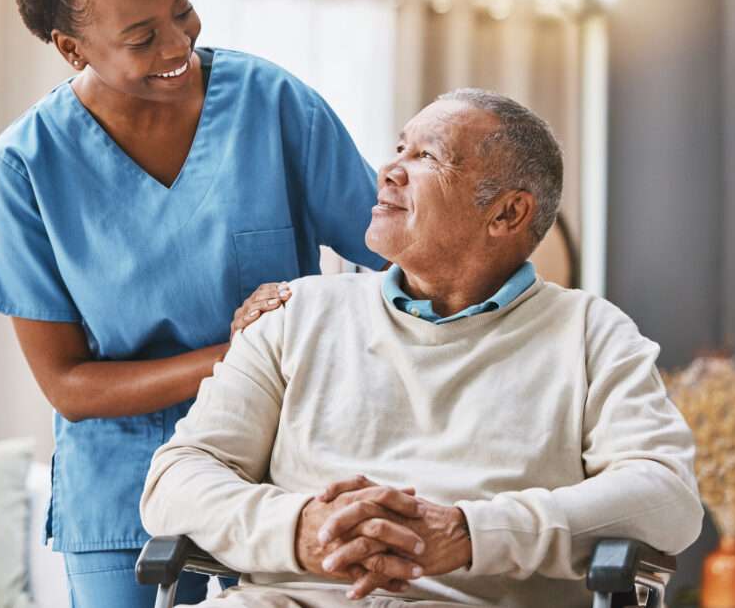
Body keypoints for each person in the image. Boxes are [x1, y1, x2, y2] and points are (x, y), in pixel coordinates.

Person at [141, 89, 704, 607]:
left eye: (427, 158)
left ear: (507, 213)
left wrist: (470, 533)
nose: (388, 171)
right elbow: (177, 477)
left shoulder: (590, 333)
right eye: (398, 149)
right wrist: (301, 527)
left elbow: (666, 495)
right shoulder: (295, 314)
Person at [0, 0, 386, 605]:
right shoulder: (26, 168)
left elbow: (404, 253)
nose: (178, 45)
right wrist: (242, 352)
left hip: (282, 481)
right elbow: (68, 383)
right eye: (142, 37)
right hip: (123, 494)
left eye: (182, 11)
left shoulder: (273, 105)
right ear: (73, 48)